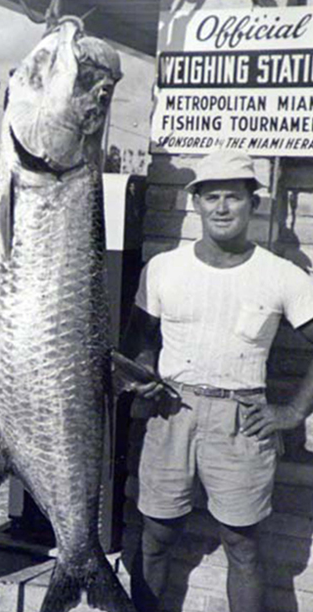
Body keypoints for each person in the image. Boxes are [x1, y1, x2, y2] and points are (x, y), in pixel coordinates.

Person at [121, 149, 313, 612]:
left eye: (234, 197)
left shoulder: (282, 275)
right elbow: (136, 345)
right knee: (156, 535)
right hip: (171, 412)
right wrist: (142, 373)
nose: (222, 208)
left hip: (241, 419)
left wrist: (290, 412)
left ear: (253, 203)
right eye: (212, 197)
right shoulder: (164, 268)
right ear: (196, 204)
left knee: (242, 545)